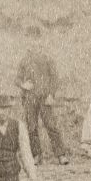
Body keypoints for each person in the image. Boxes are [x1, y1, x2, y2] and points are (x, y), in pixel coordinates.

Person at [16, 28, 67, 165]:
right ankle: (37, 156)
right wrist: (23, 85)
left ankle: (61, 155)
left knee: (51, 125)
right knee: (31, 127)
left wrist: (51, 94)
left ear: (40, 41)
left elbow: (55, 78)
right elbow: (17, 79)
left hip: (45, 98)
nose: (33, 43)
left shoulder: (47, 58)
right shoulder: (24, 60)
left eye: (35, 39)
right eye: (29, 39)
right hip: (29, 98)